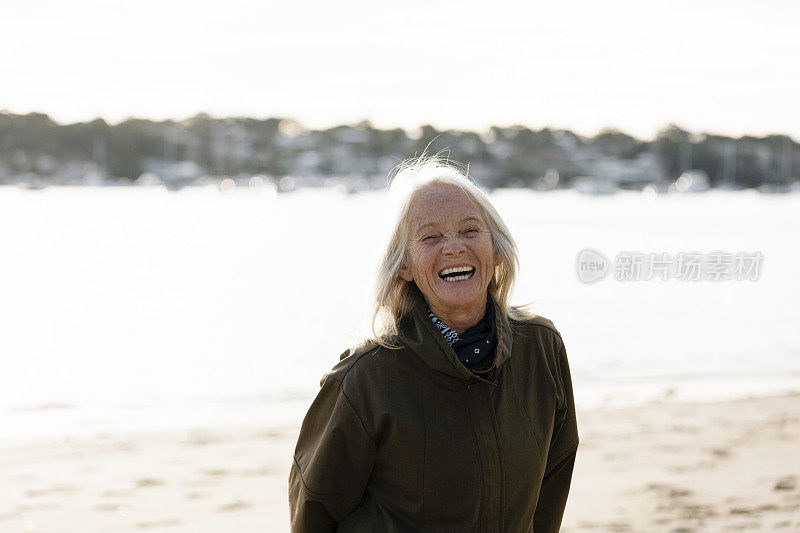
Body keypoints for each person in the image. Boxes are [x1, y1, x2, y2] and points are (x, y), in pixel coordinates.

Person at [288, 156, 579, 532]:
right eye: (430, 237)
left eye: (470, 231)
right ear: (403, 266)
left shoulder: (541, 350)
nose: (454, 248)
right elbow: (313, 510)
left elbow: (552, 485)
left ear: (495, 249)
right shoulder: (364, 379)